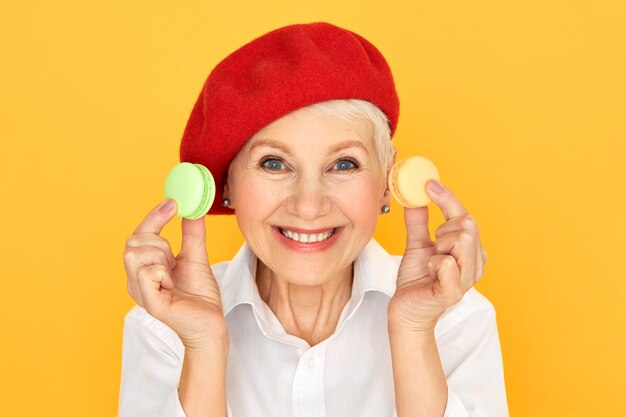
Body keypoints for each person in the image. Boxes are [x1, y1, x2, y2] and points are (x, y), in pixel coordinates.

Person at [118, 22, 509, 417]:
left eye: (343, 164)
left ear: (388, 181)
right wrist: (202, 345)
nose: (308, 205)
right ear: (226, 184)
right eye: (274, 163)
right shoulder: (163, 325)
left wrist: (414, 333)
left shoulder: (455, 317)